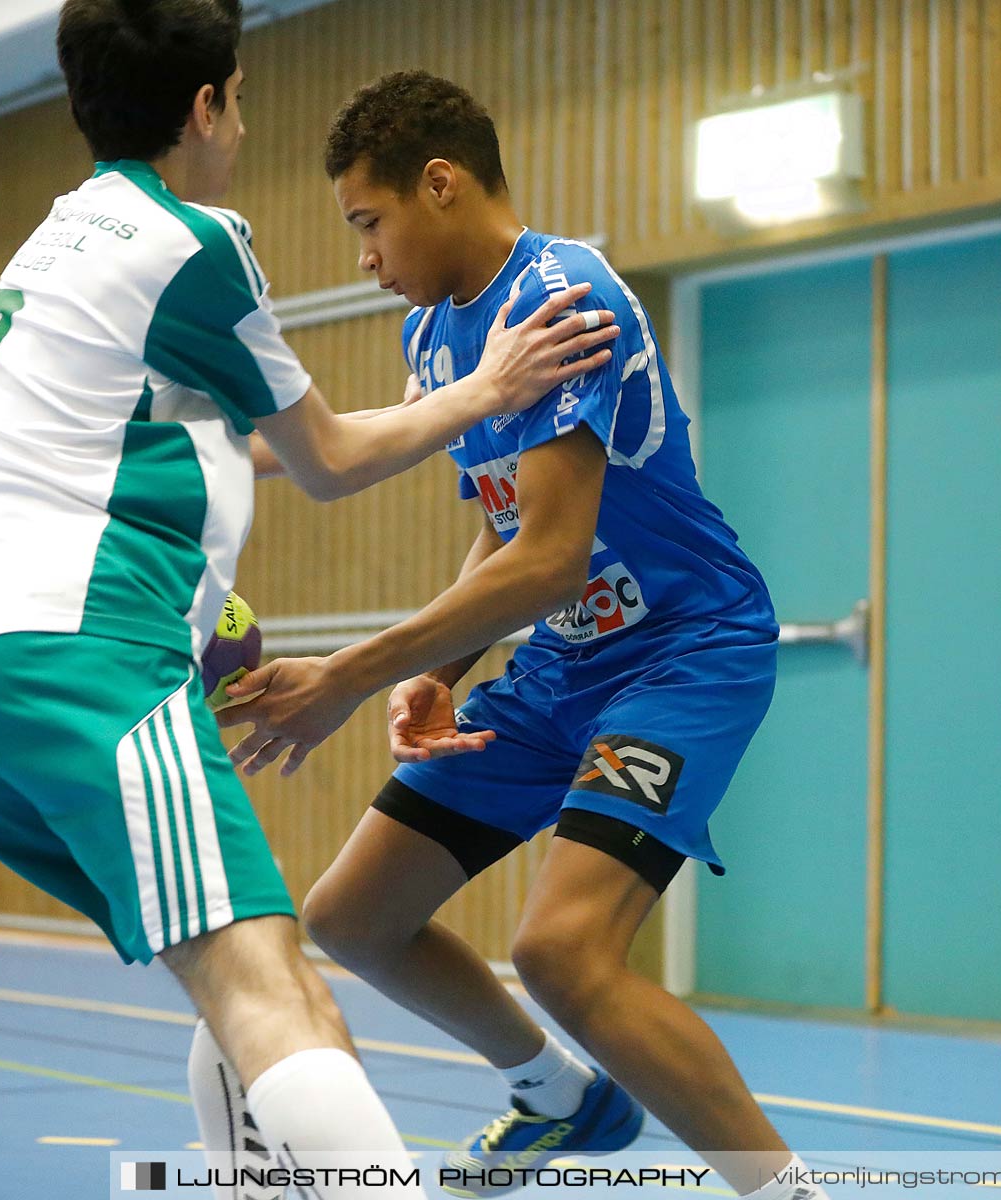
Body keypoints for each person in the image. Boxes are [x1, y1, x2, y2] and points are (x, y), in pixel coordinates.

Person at [0, 6, 617, 1197]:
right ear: (209, 107)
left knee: (234, 966)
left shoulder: (59, 243)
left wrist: (214, 620)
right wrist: (491, 386)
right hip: (78, 660)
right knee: (273, 987)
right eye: (238, 97)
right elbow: (326, 457)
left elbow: (198, 444)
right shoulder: (191, 243)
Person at [219, 70, 826, 1200]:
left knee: (562, 950)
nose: (364, 256)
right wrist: (439, 672)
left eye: (369, 221)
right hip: (561, 663)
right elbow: (507, 534)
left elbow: (552, 557)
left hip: (682, 652)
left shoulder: (562, 294)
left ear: (438, 184)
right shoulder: (436, 332)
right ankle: (564, 1097)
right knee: (354, 916)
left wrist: (349, 676)